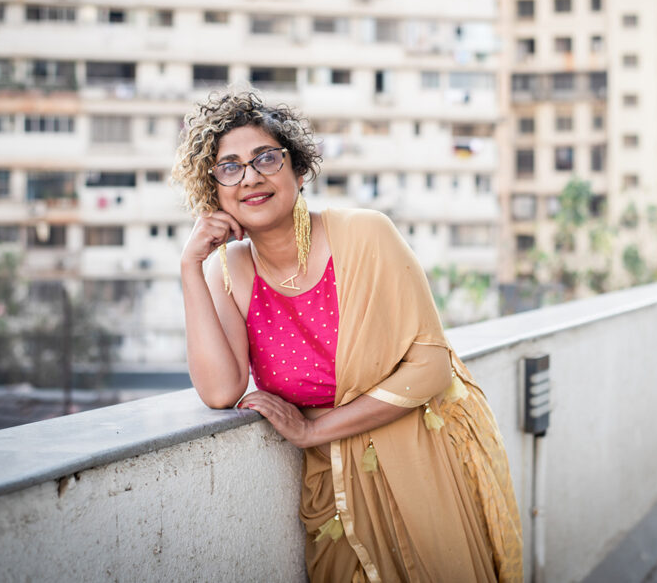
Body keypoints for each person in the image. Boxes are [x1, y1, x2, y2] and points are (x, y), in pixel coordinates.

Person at [172, 88, 522, 582]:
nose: (250, 176)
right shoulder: (227, 273)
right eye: (229, 167)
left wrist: (312, 430)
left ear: (297, 168)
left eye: (265, 158)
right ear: (215, 190)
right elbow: (220, 390)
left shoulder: (365, 235)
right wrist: (189, 265)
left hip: (420, 468)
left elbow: (429, 365)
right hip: (332, 493)